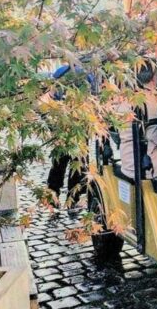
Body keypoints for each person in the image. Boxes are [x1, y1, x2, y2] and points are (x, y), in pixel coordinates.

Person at [47, 63, 94, 207]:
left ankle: (53, 195)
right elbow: (89, 97)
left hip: (61, 123)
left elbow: (52, 95)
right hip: (80, 124)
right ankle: (73, 198)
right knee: (78, 164)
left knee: (58, 163)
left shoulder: (60, 71)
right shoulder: (86, 74)